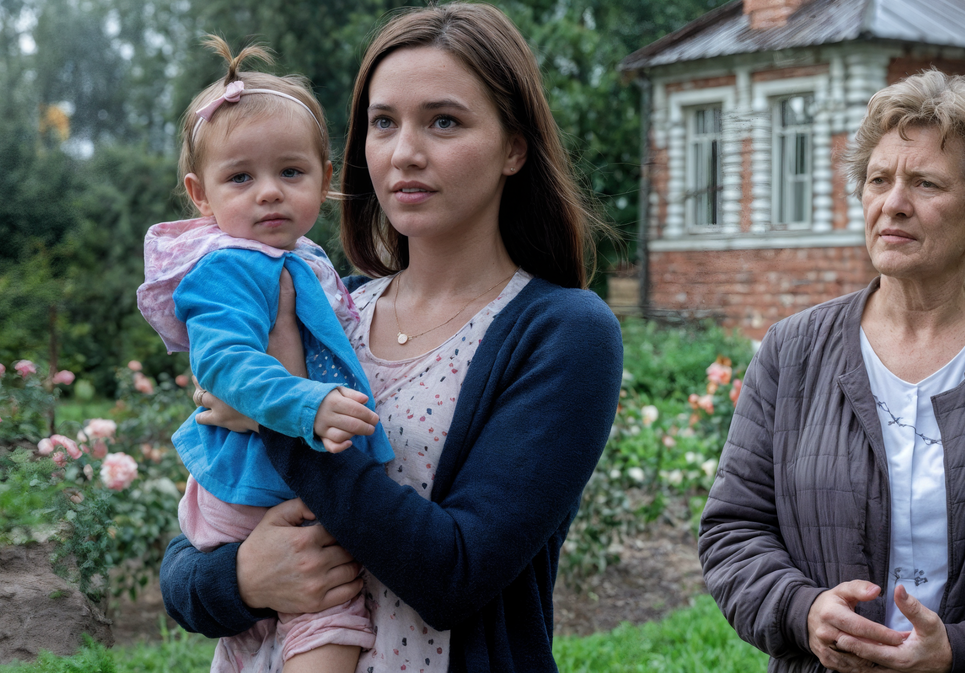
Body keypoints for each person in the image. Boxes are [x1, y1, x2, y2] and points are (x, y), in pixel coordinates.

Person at [158, 4, 624, 672]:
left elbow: (455, 575)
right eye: (383, 123)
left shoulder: (562, 333)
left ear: (514, 148)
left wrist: (282, 417)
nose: (405, 152)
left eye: (444, 121)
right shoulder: (330, 306)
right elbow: (194, 543)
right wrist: (242, 579)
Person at [699, 70, 965, 673]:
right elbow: (734, 529)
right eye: (879, 179)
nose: (893, 203)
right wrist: (803, 611)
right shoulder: (792, 351)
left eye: (926, 183)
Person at [136, 37, 395, 673]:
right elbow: (222, 363)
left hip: (265, 485)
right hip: (254, 488)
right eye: (241, 178)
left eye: (290, 173)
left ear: (325, 180)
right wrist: (306, 403)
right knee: (329, 618)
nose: (269, 193)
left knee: (259, 641)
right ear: (201, 194)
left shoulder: (300, 260)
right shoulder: (225, 267)